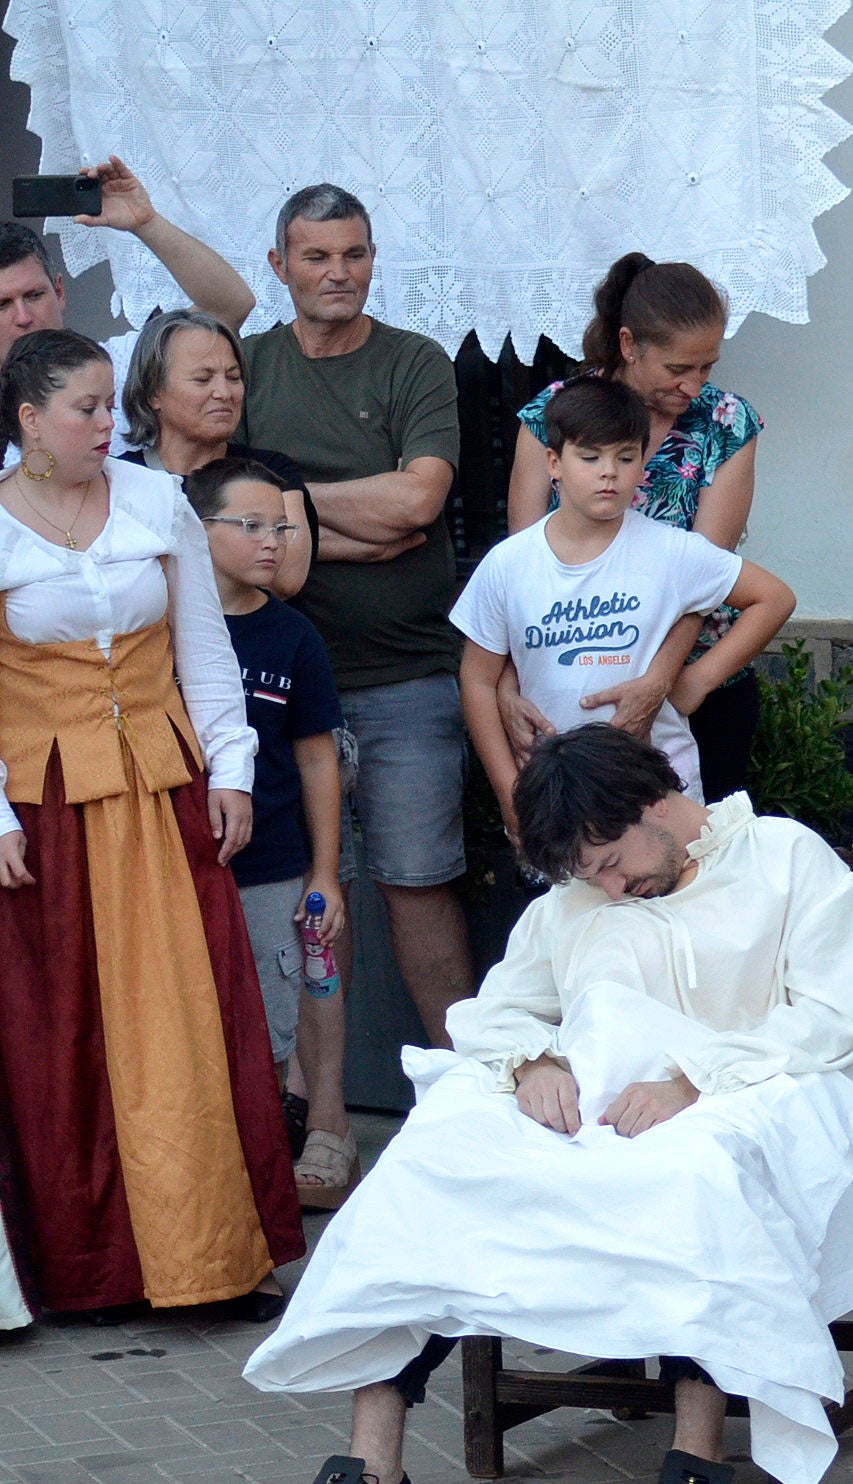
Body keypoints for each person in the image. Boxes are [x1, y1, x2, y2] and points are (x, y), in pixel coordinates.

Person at [243, 725, 853, 1484]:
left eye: (609, 861)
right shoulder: (579, 901)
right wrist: (535, 1061)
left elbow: (830, 1019)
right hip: (593, 1110)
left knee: (694, 1176)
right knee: (425, 1163)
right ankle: (376, 1477)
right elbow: (498, 1008)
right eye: (587, 875)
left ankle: (697, 1468)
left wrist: (694, 1081)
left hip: (741, 1098)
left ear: (652, 804)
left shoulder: (785, 862)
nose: (608, 886)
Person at [0, 330, 302, 1323]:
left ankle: (209, 1259)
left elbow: (203, 647)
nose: (103, 424)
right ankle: (92, 1274)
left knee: (185, 1018)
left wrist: (235, 768)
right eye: (82, 408)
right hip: (47, 810)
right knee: (67, 1036)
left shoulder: (151, 501)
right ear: (29, 420)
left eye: (105, 406)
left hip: (162, 791)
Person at [238, 183, 469, 1049]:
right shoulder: (250, 369)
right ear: (279, 266)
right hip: (281, 691)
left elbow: (418, 501)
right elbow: (228, 524)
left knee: (419, 882)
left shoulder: (415, 361)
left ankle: (465, 1090)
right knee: (295, 893)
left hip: (407, 677)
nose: (339, 273)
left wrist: (287, 507)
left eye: (355, 254)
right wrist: (326, 529)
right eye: (317, 256)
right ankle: (315, 1116)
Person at [453, 376, 795, 818]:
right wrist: (508, 792)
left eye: (626, 457)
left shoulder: (671, 550)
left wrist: (695, 681)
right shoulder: (508, 564)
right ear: (553, 463)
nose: (609, 472)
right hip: (556, 798)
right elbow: (477, 680)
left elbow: (774, 598)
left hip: (658, 796)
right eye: (590, 457)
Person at [501, 255, 764, 796]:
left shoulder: (726, 423)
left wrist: (665, 683)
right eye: (677, 368)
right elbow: (517, 570)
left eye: (707, 367)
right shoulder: (554, 414)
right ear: (628, 345)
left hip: (693, 688)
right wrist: (506, 685)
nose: (693, 385)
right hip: (569, 687)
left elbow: (701, 584)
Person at [195, 456, 355, 1211]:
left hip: (274, 867)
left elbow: (318, 756)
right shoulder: (161, 627)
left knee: (272, 1026)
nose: (273, 543)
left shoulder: (293, 634)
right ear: (198, 530)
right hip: (182, 865)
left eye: (283, 528)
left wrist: (323, 873)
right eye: (252, 526)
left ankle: (261, 1185)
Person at [0, 155, 256, 458]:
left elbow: (230, 306)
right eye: (2, 305)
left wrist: (146, 222)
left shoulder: (120, 362)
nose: (24, 317)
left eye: (34, 295)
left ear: (59, 290)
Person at [122, 308, 318, 595]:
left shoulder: (270, 471)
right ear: (153, 393)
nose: (224, 393)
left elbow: (285, 580)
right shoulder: (121, 479)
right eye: (203, 379)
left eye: (233, 377)